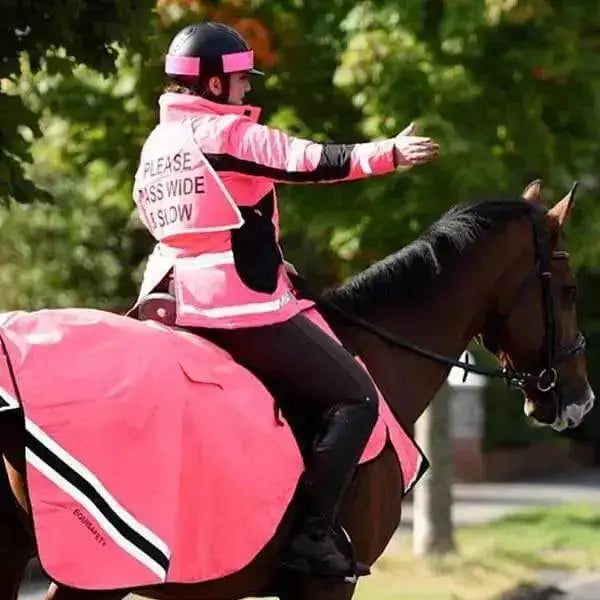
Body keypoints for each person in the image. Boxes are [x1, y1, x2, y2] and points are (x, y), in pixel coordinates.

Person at [132, 21, 439, 579]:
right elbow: (310, 160)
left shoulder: (157, 144)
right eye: (242, 81)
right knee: (355, 398)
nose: (248, 90)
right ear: (217, 85)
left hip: (165, 298)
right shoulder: (225, 135)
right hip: (233, 305)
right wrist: (389, 153)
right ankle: (312, 537)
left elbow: (202, 225)